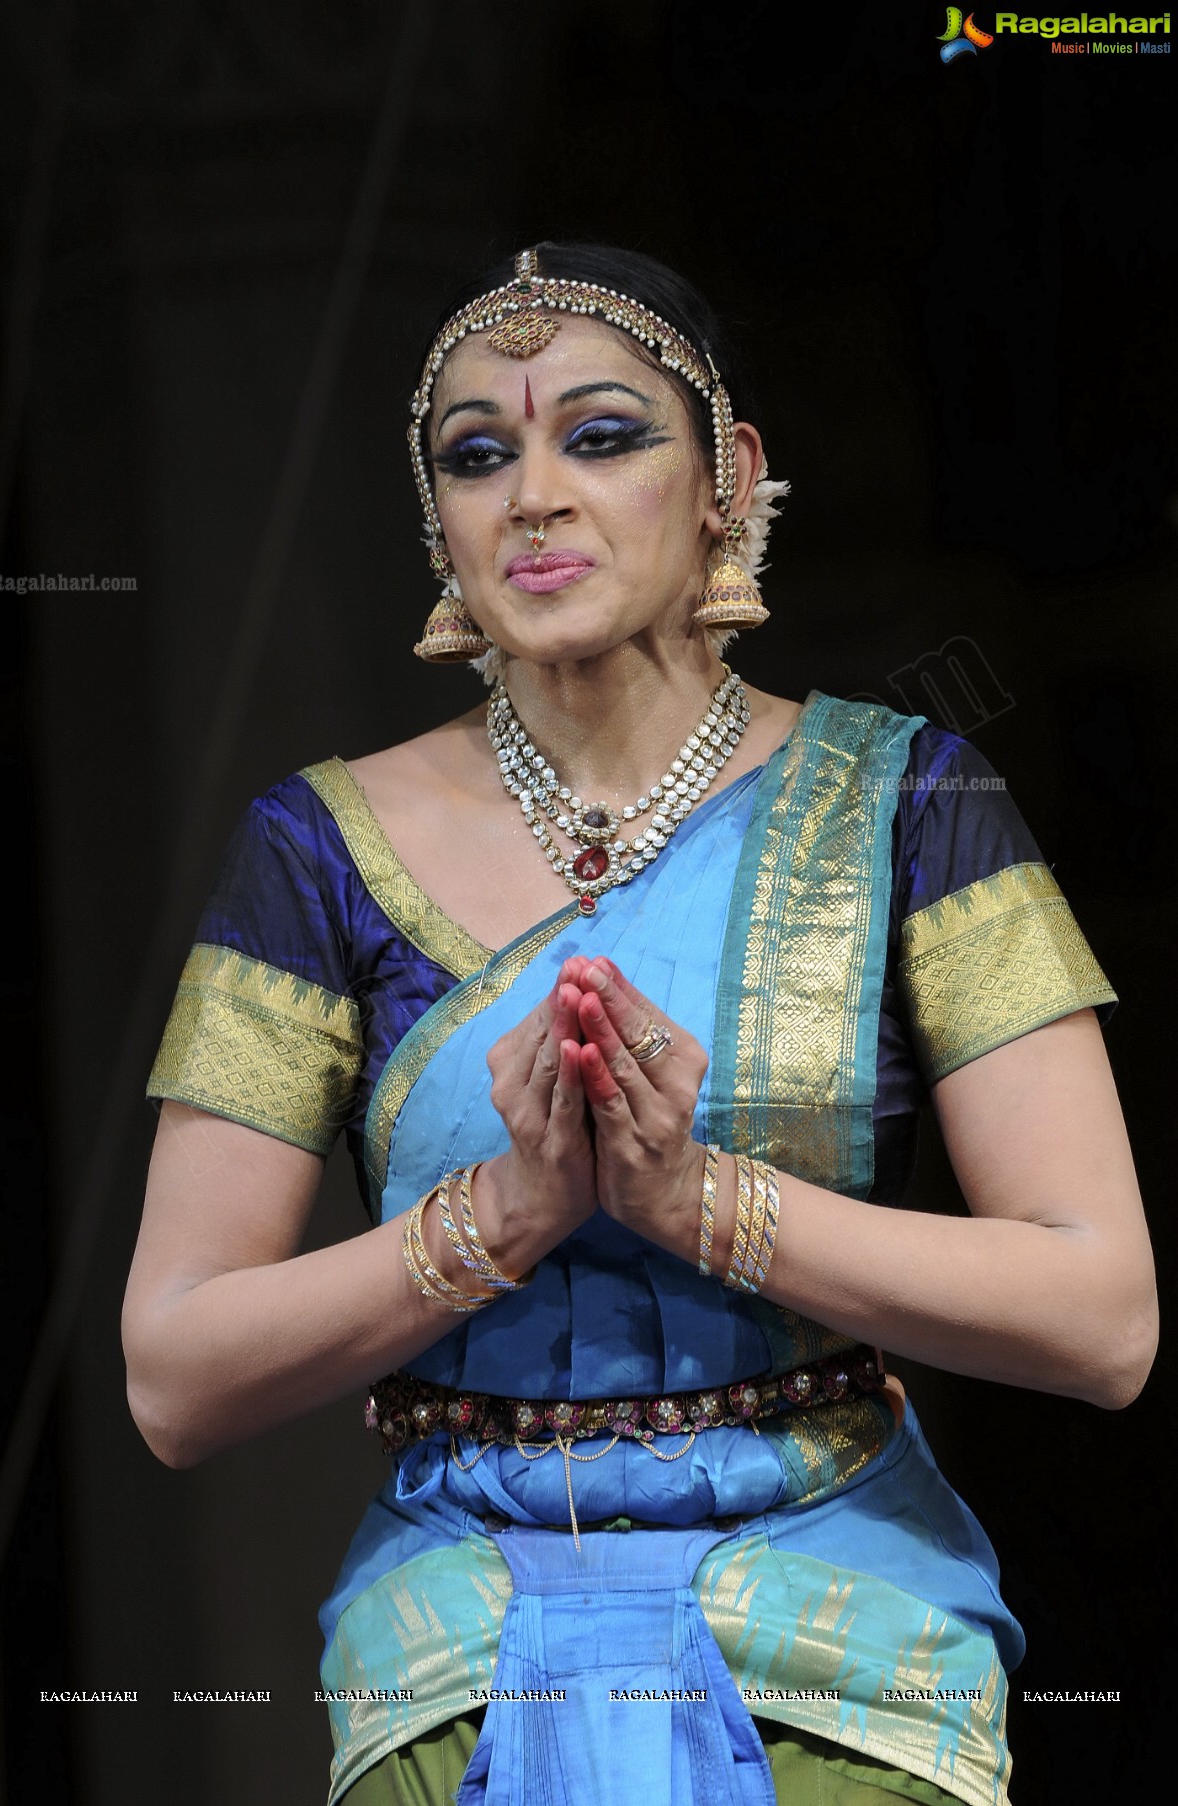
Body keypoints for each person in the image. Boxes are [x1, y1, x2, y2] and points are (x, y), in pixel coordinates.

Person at [123, 243, 1157, 1806]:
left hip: (847, 1643)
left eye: (600, 435)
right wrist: (506, 1215)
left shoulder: (911, 802)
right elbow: (174, 1372)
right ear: (440, 521)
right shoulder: (316, 849)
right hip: (455, 1649)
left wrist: (697, 1203)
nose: (534, 493)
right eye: (479, 454)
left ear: (728, 477)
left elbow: (1103, 1315)